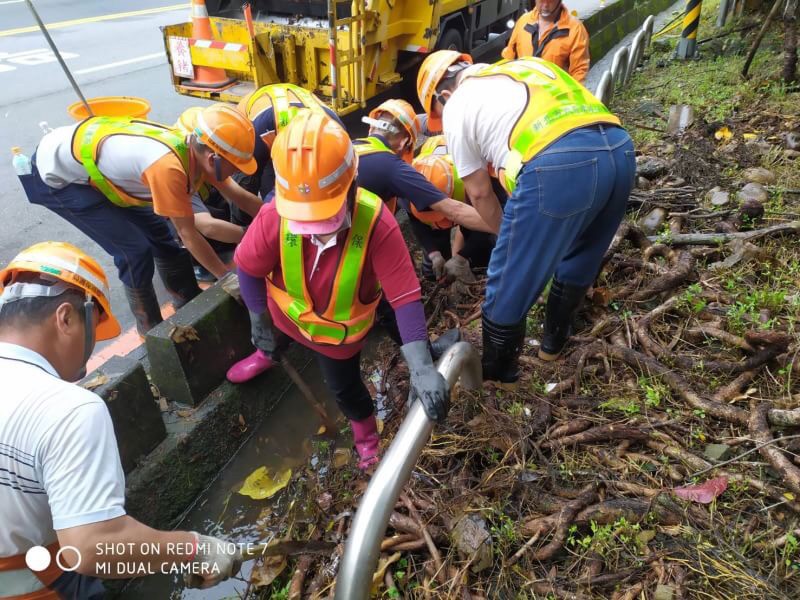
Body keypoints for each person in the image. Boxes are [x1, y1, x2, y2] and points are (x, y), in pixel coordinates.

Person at [0, 242, 241, 598]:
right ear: (66, 318)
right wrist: (194, 548)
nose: (90, 352)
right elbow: (93, 548)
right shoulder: (67, 409)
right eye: (92, 330)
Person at [225, 111, 450, 469]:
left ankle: (366, 437)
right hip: (284, 316)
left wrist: (421, 366)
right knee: (271, 340)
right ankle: (265, 356)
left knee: (345, 391)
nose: (317, 233)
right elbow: (249, 267)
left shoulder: (376, 224)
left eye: (325, 220)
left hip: (336, 340)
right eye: (306, 222)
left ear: (352, 188)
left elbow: (404, 297)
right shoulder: (274, 216)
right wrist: (257, 317)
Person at [417, 50, 635, 386]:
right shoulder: (525, 66)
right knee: (581, 254)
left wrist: (511, 239)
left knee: (506, 288)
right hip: (620, 150)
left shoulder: (458, 102)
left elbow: (478, 193)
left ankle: (500, 381)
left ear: (444, 95)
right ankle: (552, 347)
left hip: (558, 164)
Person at [18, 104, 258, 336]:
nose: (238, 170)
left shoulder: (198, 150)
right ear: (213, 158)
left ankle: (188, 302)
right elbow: (189, 233)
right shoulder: (168, 168)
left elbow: (239, 195)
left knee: (162, 238)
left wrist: (276, 220)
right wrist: (227, 278)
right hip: (59, 178)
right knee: (134, 251)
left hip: (92, 170)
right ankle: (150, 326)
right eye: (235, 165)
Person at [353, 99, 493, 280]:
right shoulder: (396, 171)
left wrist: (461, 256)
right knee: (408, 278)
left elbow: (460, 214)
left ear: (371, 129)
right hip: (359, 241)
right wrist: (434, 253)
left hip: (337, 236)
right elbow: (449, 211)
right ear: (404, 143)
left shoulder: (351, 147)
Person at [238, 83, 344, 200]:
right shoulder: (259, 134)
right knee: (264, 192)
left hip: (280, 120)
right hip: (259, 124)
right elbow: (245, 188)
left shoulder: (336, 133)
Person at [409, 154, 496, 282]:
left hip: (468, 199)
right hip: (447, 201)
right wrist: (434, 253)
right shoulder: (407, 186)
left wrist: (462, 256)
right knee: (436, 267)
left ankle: (482, 269)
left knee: (480, 250)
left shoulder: (474, 180)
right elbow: (415, 220)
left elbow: (489, 223)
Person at [502, 0, 590, 83]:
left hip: (554, 95)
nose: (545, 5)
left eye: (550, 1)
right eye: (541, 1)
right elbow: (509, 57)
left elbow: (579, 72)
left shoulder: (575, 29)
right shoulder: (523, 21)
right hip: (525, 92)